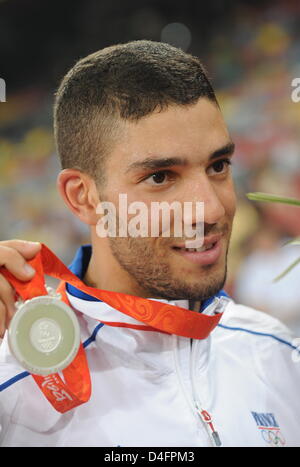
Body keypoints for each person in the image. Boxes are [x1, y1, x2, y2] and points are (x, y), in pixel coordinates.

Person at [0, 40, 299, 447]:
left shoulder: (279, 354)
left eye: (218, 166)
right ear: (82, 197)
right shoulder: (12, 385)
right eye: (160, 177)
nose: (210, 210)